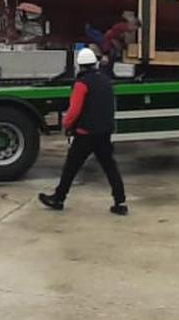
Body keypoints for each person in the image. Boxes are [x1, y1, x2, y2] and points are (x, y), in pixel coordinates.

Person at [39, 47, 127, 214]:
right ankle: (120, 202)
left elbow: (74, 110)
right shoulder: (106, 80)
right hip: (104, 133)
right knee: (110, 167)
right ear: (94, 63)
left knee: (70, 168)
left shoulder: (81, 84)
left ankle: (58, 198)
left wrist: (67, 125)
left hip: (85, 134)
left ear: (80, 66)